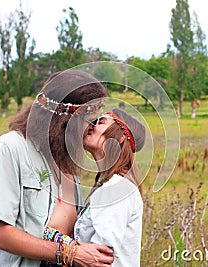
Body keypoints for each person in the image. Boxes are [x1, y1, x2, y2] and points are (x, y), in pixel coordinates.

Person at [0, 69, 114, 267]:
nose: (93, 128)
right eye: (90, 120)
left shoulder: (63, 157)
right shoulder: (11, 148)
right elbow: (2, 235)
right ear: (65, 120)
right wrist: (70, 253)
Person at [42, 108, 145, 267]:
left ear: (121, 137)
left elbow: (99, 256)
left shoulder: (116, 188)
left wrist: (48, 235)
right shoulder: (110, 185)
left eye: (100, 122)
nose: (91, 125)